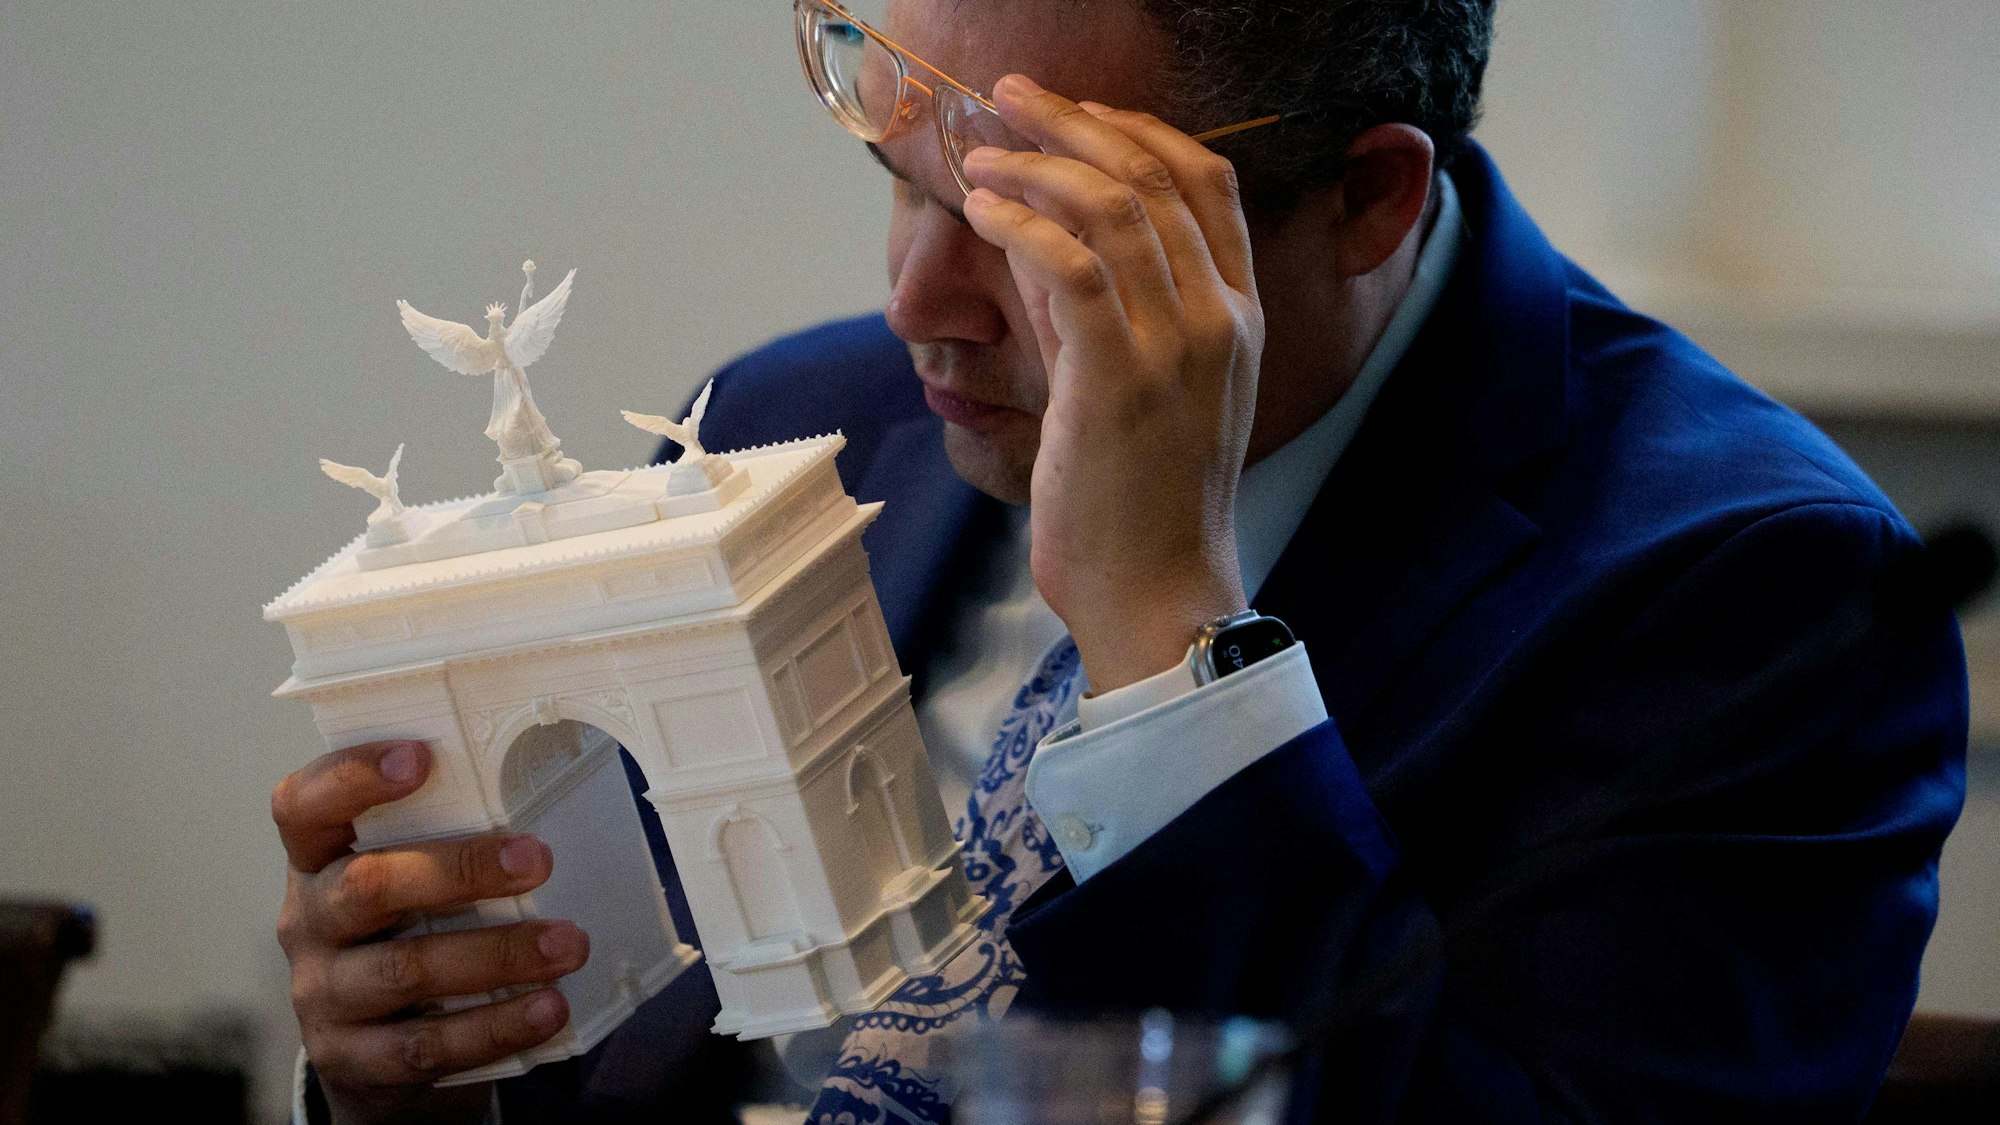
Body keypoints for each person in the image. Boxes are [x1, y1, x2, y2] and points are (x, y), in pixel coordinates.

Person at [270, 1, 1970, 1121]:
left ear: (1369, 200)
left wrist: (1170, 650)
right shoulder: (795, 422)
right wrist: (415, 1079)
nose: (914, 303)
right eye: (896, 184)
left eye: (1032, 230)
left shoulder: (1763, 600)